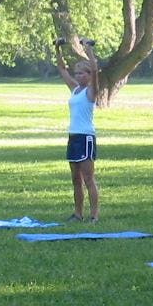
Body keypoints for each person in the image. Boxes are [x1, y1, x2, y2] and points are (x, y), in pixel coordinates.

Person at [54, 38, 100, 222]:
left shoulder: (91, 91)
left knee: (88, 178)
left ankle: (94, 215)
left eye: (82, 73)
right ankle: (78, 214)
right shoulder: (74, 89)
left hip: (86, 137)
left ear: (89, 75)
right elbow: (62, 69)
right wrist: (58, 49)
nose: (79, 76)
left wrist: (88, 50)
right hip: (73, 137)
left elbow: (96, 69)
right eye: (78, 73)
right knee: (76, 179)